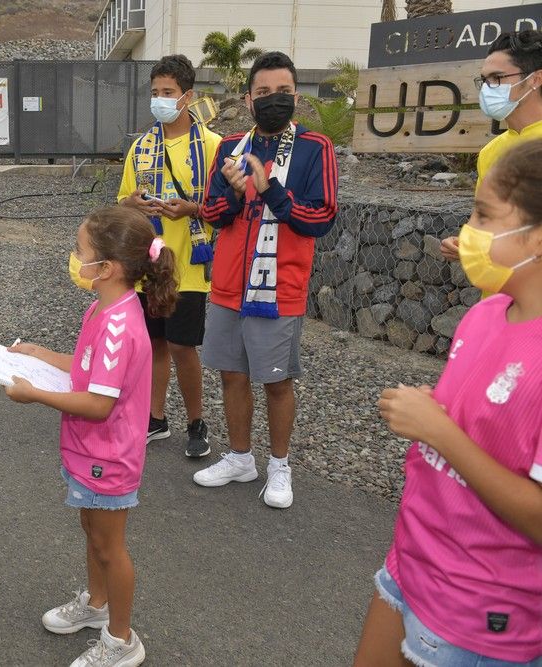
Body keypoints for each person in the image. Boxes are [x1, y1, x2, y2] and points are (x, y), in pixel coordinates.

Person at [353, 139, 542, 667]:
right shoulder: (487, 313)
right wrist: (435, 411)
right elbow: (480, 421)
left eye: (483, 215)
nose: (467, 232)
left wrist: (438, 431)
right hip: (412, 560)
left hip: (482, 605)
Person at [5, 206, 178, 667]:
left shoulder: (120, 325)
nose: (73, 257)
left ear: (108, 269)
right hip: (89, 450)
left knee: (109, 545)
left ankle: (121, 640)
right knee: (92, 530)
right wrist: (40, 354)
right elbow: (85, 367)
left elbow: (100, 403)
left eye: (79, 251)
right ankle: (96, 607)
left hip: (109, 455)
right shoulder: (103, 307)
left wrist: (36, 394)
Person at [195, 51, 337, 508]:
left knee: (276, 381)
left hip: (279, 287)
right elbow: (211, 211)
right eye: (262, 92)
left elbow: (320, 217)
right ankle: (241, 458)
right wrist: (236, 194)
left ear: (296, 95)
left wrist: (271, 188)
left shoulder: (315, 148)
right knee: (232, 374)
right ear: (248, 98)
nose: (273, 99)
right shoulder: (230, 146)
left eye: (282, 91)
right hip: (228, 284)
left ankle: (279, 464)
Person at [119, 54, 222, 458]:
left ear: (187, 96)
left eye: (168, 93)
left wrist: (191, 208)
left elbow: (222, 206)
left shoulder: (212, 146)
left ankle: (197, 422)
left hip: (189, 266)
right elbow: (123, 202)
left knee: (183, 346)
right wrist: (133, 203)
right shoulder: (141, 148)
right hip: (150, 266)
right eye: (155, 93)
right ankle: (156, 419)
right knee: (155, 343)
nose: (160, 100)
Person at [441, 29, 542, 264]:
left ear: (535, 80)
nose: (487, 88)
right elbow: (484, 223)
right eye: (484, 80)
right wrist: (464, 244)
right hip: (498, 297)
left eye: (498, 78)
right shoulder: (490, 152)